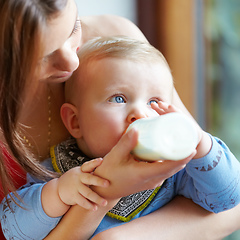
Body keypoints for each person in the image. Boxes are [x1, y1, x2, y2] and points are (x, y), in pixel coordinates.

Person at [0, 0, 240, 239]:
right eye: (118, 99)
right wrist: (59, 195)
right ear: (74, 121)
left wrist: (201, 144)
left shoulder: (174, 169)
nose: (142, 114)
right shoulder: (59, 172)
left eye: (73, 28)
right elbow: (15, 230)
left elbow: (229, 199)